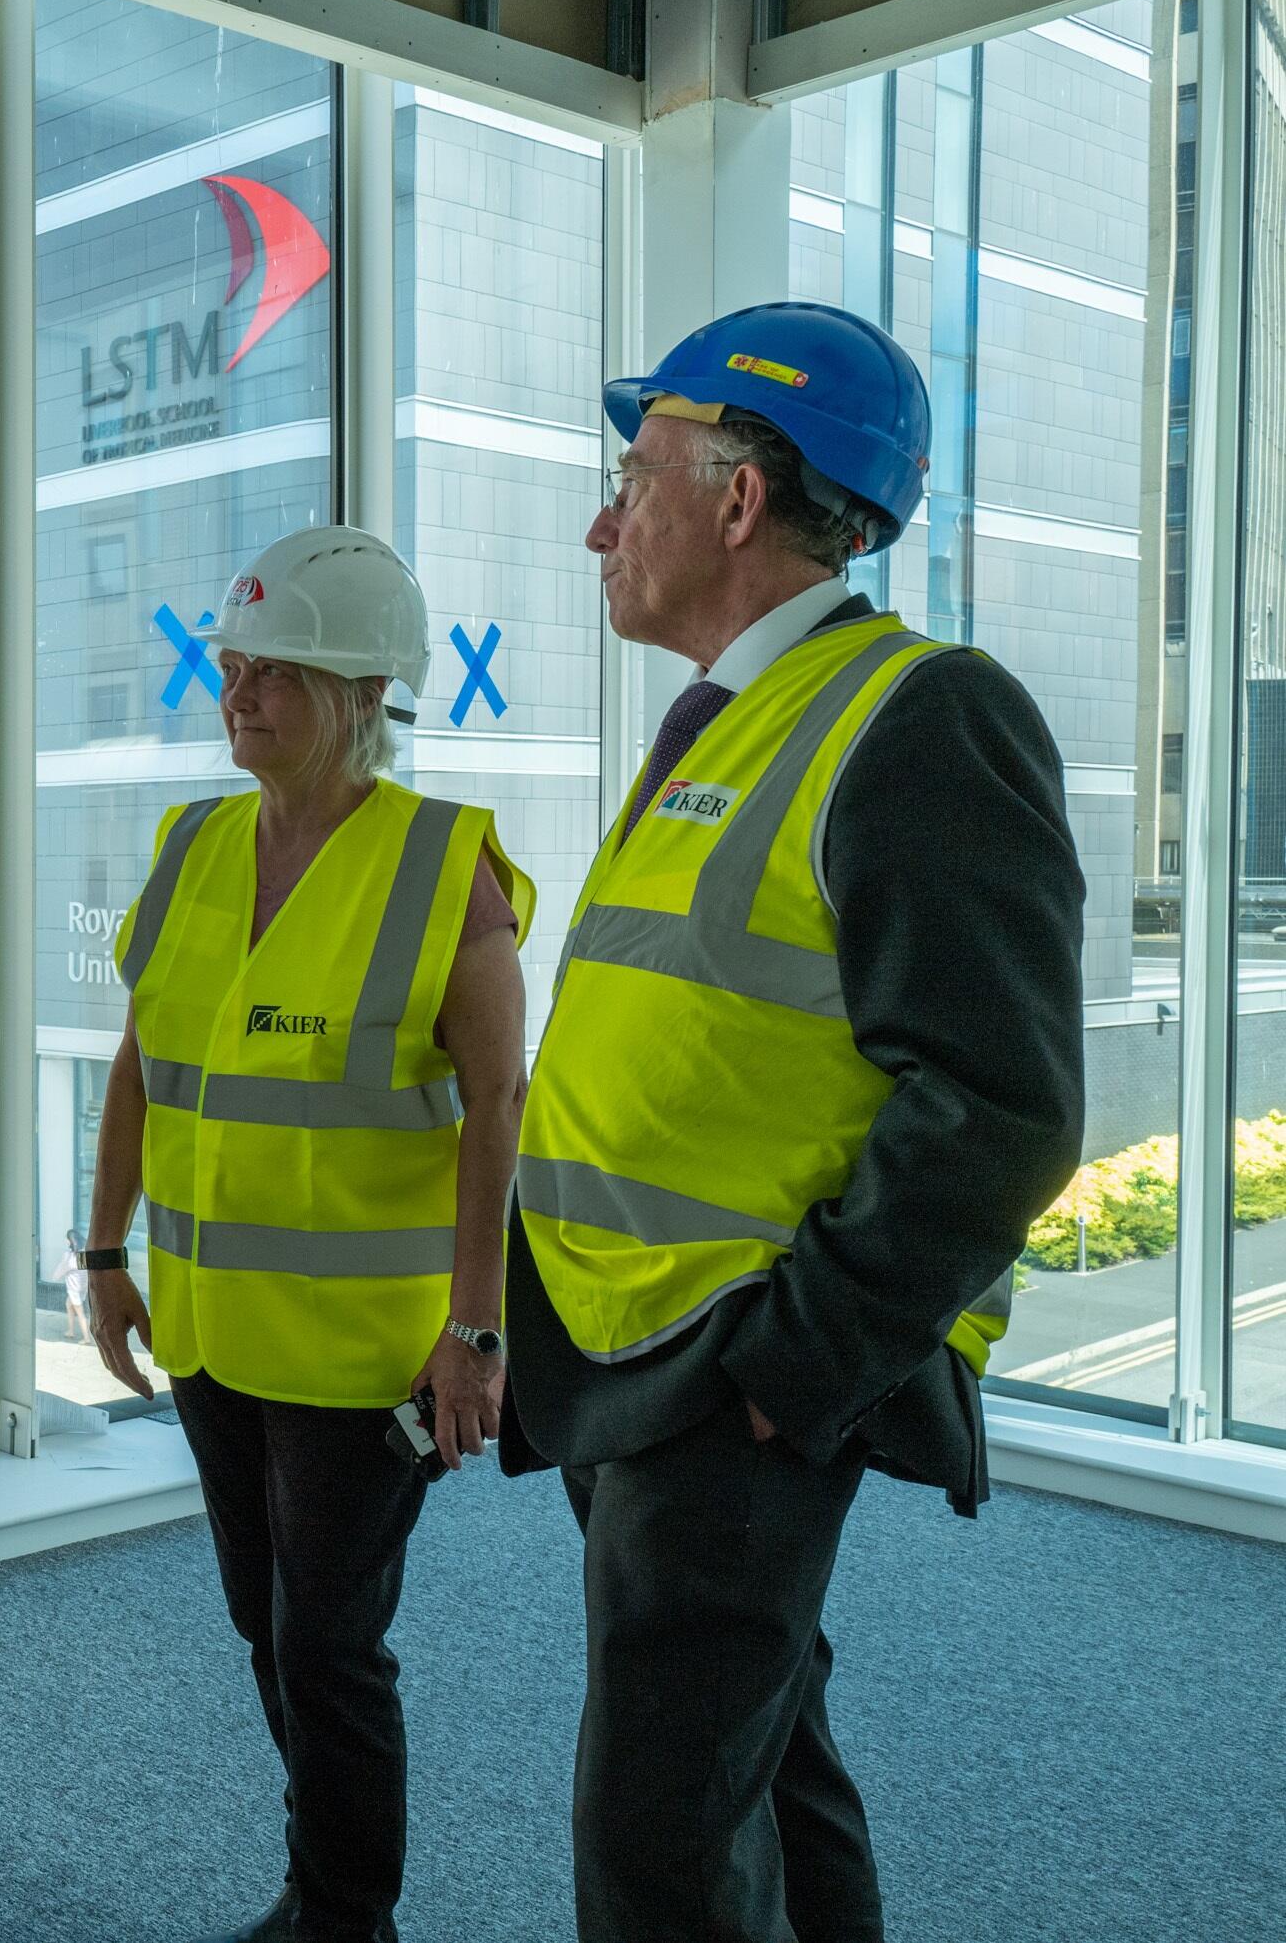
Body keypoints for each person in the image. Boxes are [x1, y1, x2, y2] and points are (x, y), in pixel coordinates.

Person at [505, 301, 1085, 1942]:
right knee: (752, 1766)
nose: (602, 522)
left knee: (657, 1839)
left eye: (635, 477)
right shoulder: (728, 716)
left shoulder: (922, 717)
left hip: (741, 1365)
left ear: (741, 497)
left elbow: (1004, 1102)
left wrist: (790, 1372)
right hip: (636, 1348)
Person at [84, 527, 532, 1943]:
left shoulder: (440, 866)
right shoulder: (196, 841)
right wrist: (102, 1255)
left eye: (273, 670)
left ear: (358, 692)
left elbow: (498, 1112)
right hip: (215, 1327)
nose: (238, 690)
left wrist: (477, 1331)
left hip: (362, 1349)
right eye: (233, 666)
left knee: (329, 1644)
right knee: (262, 1621)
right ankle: (317, 1878)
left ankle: (346, 1915)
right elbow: (142, 1060)